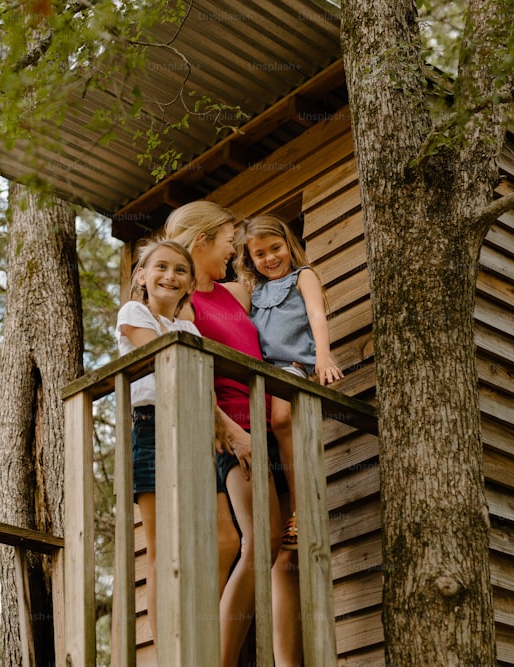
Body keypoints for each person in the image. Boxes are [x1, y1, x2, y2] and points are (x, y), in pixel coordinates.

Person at [164, 201, 302, 667]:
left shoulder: (236, 294)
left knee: (285, 551)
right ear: (201, 241)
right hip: (231, 432)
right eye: (228, 242)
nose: (233, 252)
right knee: (259, 539)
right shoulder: (183, 303)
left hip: (269, 426)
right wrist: (228, 431)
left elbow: (283, 307)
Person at [115, 239, 240, 645]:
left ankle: (205, 630)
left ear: (189, 284)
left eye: (180, 271)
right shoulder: (134, 312)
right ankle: (169, 642)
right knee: (161, 545)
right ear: (142, 276)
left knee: (226, 539)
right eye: (161, 268)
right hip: (154, 427)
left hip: (195, 431)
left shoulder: (188, 327)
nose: (170, 276)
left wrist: (219, 423)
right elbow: (168, 362)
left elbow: (202, 382)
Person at [234, 213, 342, 551]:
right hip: (262, 373)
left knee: (282, 420)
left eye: (276, 248)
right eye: (260, 254)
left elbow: (316, 315)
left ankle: (300, 510)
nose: (270, 258)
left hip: (292, 366)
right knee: (268, 435)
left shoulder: (302, 276)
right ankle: (275, 514)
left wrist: (323, 356)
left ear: (289, 245)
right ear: (250, 259)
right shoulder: (255, 290)